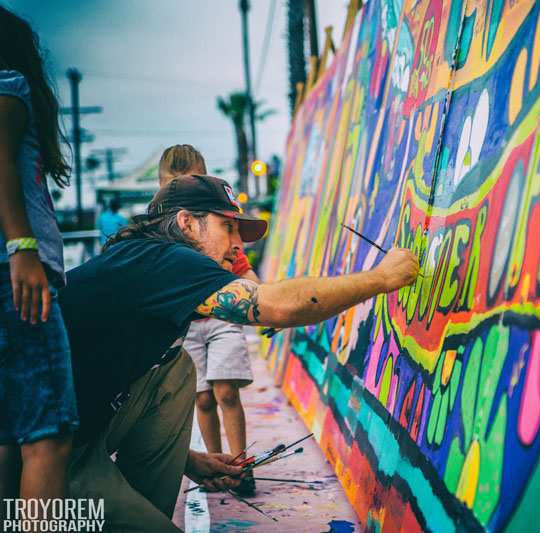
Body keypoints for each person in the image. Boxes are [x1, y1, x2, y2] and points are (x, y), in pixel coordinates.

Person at [59, 174, 418, 530]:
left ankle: (141, 508)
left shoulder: (149, 261)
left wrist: (189, 461)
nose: (237, 245)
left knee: (176, 368)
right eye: (227, 228)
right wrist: (382, 278)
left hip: (84, 432)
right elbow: (277, 306)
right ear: (186, 223)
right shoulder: (168, 260)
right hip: (46, 463)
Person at [0, 5, 78, 519]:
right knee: (47, 435)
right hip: (15, 280)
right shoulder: (10, 85)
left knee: (10, 432)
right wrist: (23, 248)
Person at [158, 144, 258, 496]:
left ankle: (241, 466)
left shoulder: (218, 226)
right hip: (188, 327)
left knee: (227, 391)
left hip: (222, 319)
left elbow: (245, 270)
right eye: (174, 185)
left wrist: (263, 303)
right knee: (201, 399)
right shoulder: (161, 237)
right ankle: (216, 469)